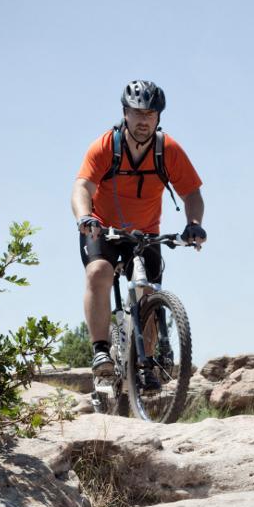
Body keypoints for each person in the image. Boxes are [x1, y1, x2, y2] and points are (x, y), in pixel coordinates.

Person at [71, 80, 206, 388]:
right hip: (103, 228)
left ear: (158, 117)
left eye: (150, 114)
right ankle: (101, 351)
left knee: (148, 294)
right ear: (125, 113)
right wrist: (85, 216)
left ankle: (144, 365)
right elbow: (82, 187)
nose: (143, 120)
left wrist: (194, 223)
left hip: (146, 233)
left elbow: (192, 194)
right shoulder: (105, 146)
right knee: (98, 272)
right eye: (137, 113)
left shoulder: (167, 149)